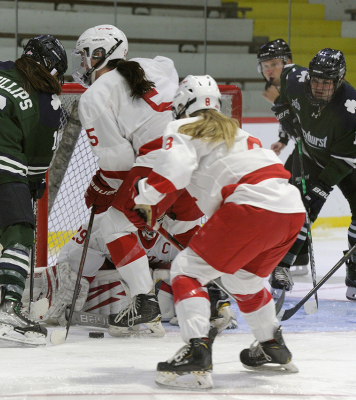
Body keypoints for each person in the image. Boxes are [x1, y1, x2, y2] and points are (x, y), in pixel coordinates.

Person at [126, 75, 305, 389]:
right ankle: (271, 344)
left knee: (186, 269)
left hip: (249, 207)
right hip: (290, 210)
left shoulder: (182, 126)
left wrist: (146, 198)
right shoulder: (236, 130)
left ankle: (197, 350)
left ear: (182, 105)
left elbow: (175, 170)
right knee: (244, 279)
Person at [71, 24, 203, 337]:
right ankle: (220, 295)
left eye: (88, 56)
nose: (83, 64)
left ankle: (144, 300)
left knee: (114, 224)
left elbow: (118, 164)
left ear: (103, 54)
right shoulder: (155, 65)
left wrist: (101, 186)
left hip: (158, 160)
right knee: (185, 229)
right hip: (193, 154)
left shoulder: (94, 96)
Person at [0, 35, 68, 346]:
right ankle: (10, 310)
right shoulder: (48, 101)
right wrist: (34, 184)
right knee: (18, 232)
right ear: (50, 67)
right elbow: (37, 161)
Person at [30, 213, 238, 333]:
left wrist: (217, 297)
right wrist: (70, 289)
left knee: (165, 282)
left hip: (155, 302)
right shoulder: (107, 225)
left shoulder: (184, 231)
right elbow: (69, 263)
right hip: (102, 290)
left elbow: (214, 264)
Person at [270, 48, 356, 302]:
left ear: (338, 81)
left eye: (326, 82)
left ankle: (354, 271)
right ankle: (281, 266)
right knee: (301, 208)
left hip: (344, 162)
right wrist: (283, 110)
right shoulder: (295, 79)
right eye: (316, 80)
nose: (319, 87)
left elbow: (342, 162)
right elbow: (279, 79)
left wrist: (321, 189)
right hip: (309, 156)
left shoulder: (350, 109)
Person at [257, 39, 310, 293]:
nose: (269, 70)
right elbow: (293, 119)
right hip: (309, 148)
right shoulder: (285, 83)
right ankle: (294, 259)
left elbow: (304, 124)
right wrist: (282, 139)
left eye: (274, 64)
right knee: (295, 197)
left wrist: (278, 103)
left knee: (300, 200)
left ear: (287, 62)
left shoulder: (297, 81)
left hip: (323, 149)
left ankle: (290, 260)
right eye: (265, 65)